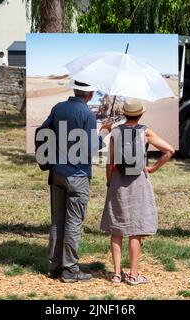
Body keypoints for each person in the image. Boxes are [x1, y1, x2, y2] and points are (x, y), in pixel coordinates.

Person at [41, 80, 112, 283]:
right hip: (78, 175)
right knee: (73, 223)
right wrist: (103, 134)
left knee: (57, 221)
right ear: (89, 94)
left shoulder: (58, 107)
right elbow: (90, 148)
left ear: (75, 90)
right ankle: (70, 271)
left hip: (57, 172)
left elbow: (45, 131)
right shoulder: (87, 114)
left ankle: (54, 266)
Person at [100, 98, 175, 286]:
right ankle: (133, 275)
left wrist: (110, 182)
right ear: (141, 114)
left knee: (116, 228)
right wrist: (153, 168)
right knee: (136, 230)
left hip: (117, 179)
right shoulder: (145, 132)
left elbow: (110, 162)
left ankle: (117, 274)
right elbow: (169, 151)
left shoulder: (116, 132)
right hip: (139, 181)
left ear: (124, 113)